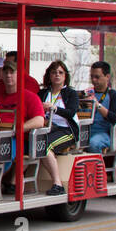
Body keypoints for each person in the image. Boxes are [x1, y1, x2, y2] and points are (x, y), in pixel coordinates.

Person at [0, 62, 46, 188]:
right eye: (6, 72)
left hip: (18, 139)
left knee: (6, 143)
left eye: (12, 72)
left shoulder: (30, 97)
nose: (8, 75)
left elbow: (39, 121)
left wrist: (18, 128)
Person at [38, 60, 79, 195]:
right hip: (46, 128)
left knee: (45, 146)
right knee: (32, 143)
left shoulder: (70, 93)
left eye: (60, 72)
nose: (57, 75)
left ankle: (58, 183)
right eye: (54, 72)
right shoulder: (43, 93)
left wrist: (54, 108)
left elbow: (71, 112)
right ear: (49, 75)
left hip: (66, 130)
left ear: (65, 76)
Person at [86, 60, 116, 152]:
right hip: (85, 131)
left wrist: (97, 105)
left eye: (97, 77)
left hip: (103, 133)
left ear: (107, 77)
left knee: (93, 144)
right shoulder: (87, 94)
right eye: (92, 77)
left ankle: (97, 166)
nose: (94, 80)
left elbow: (114, 118)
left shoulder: (114, 95)